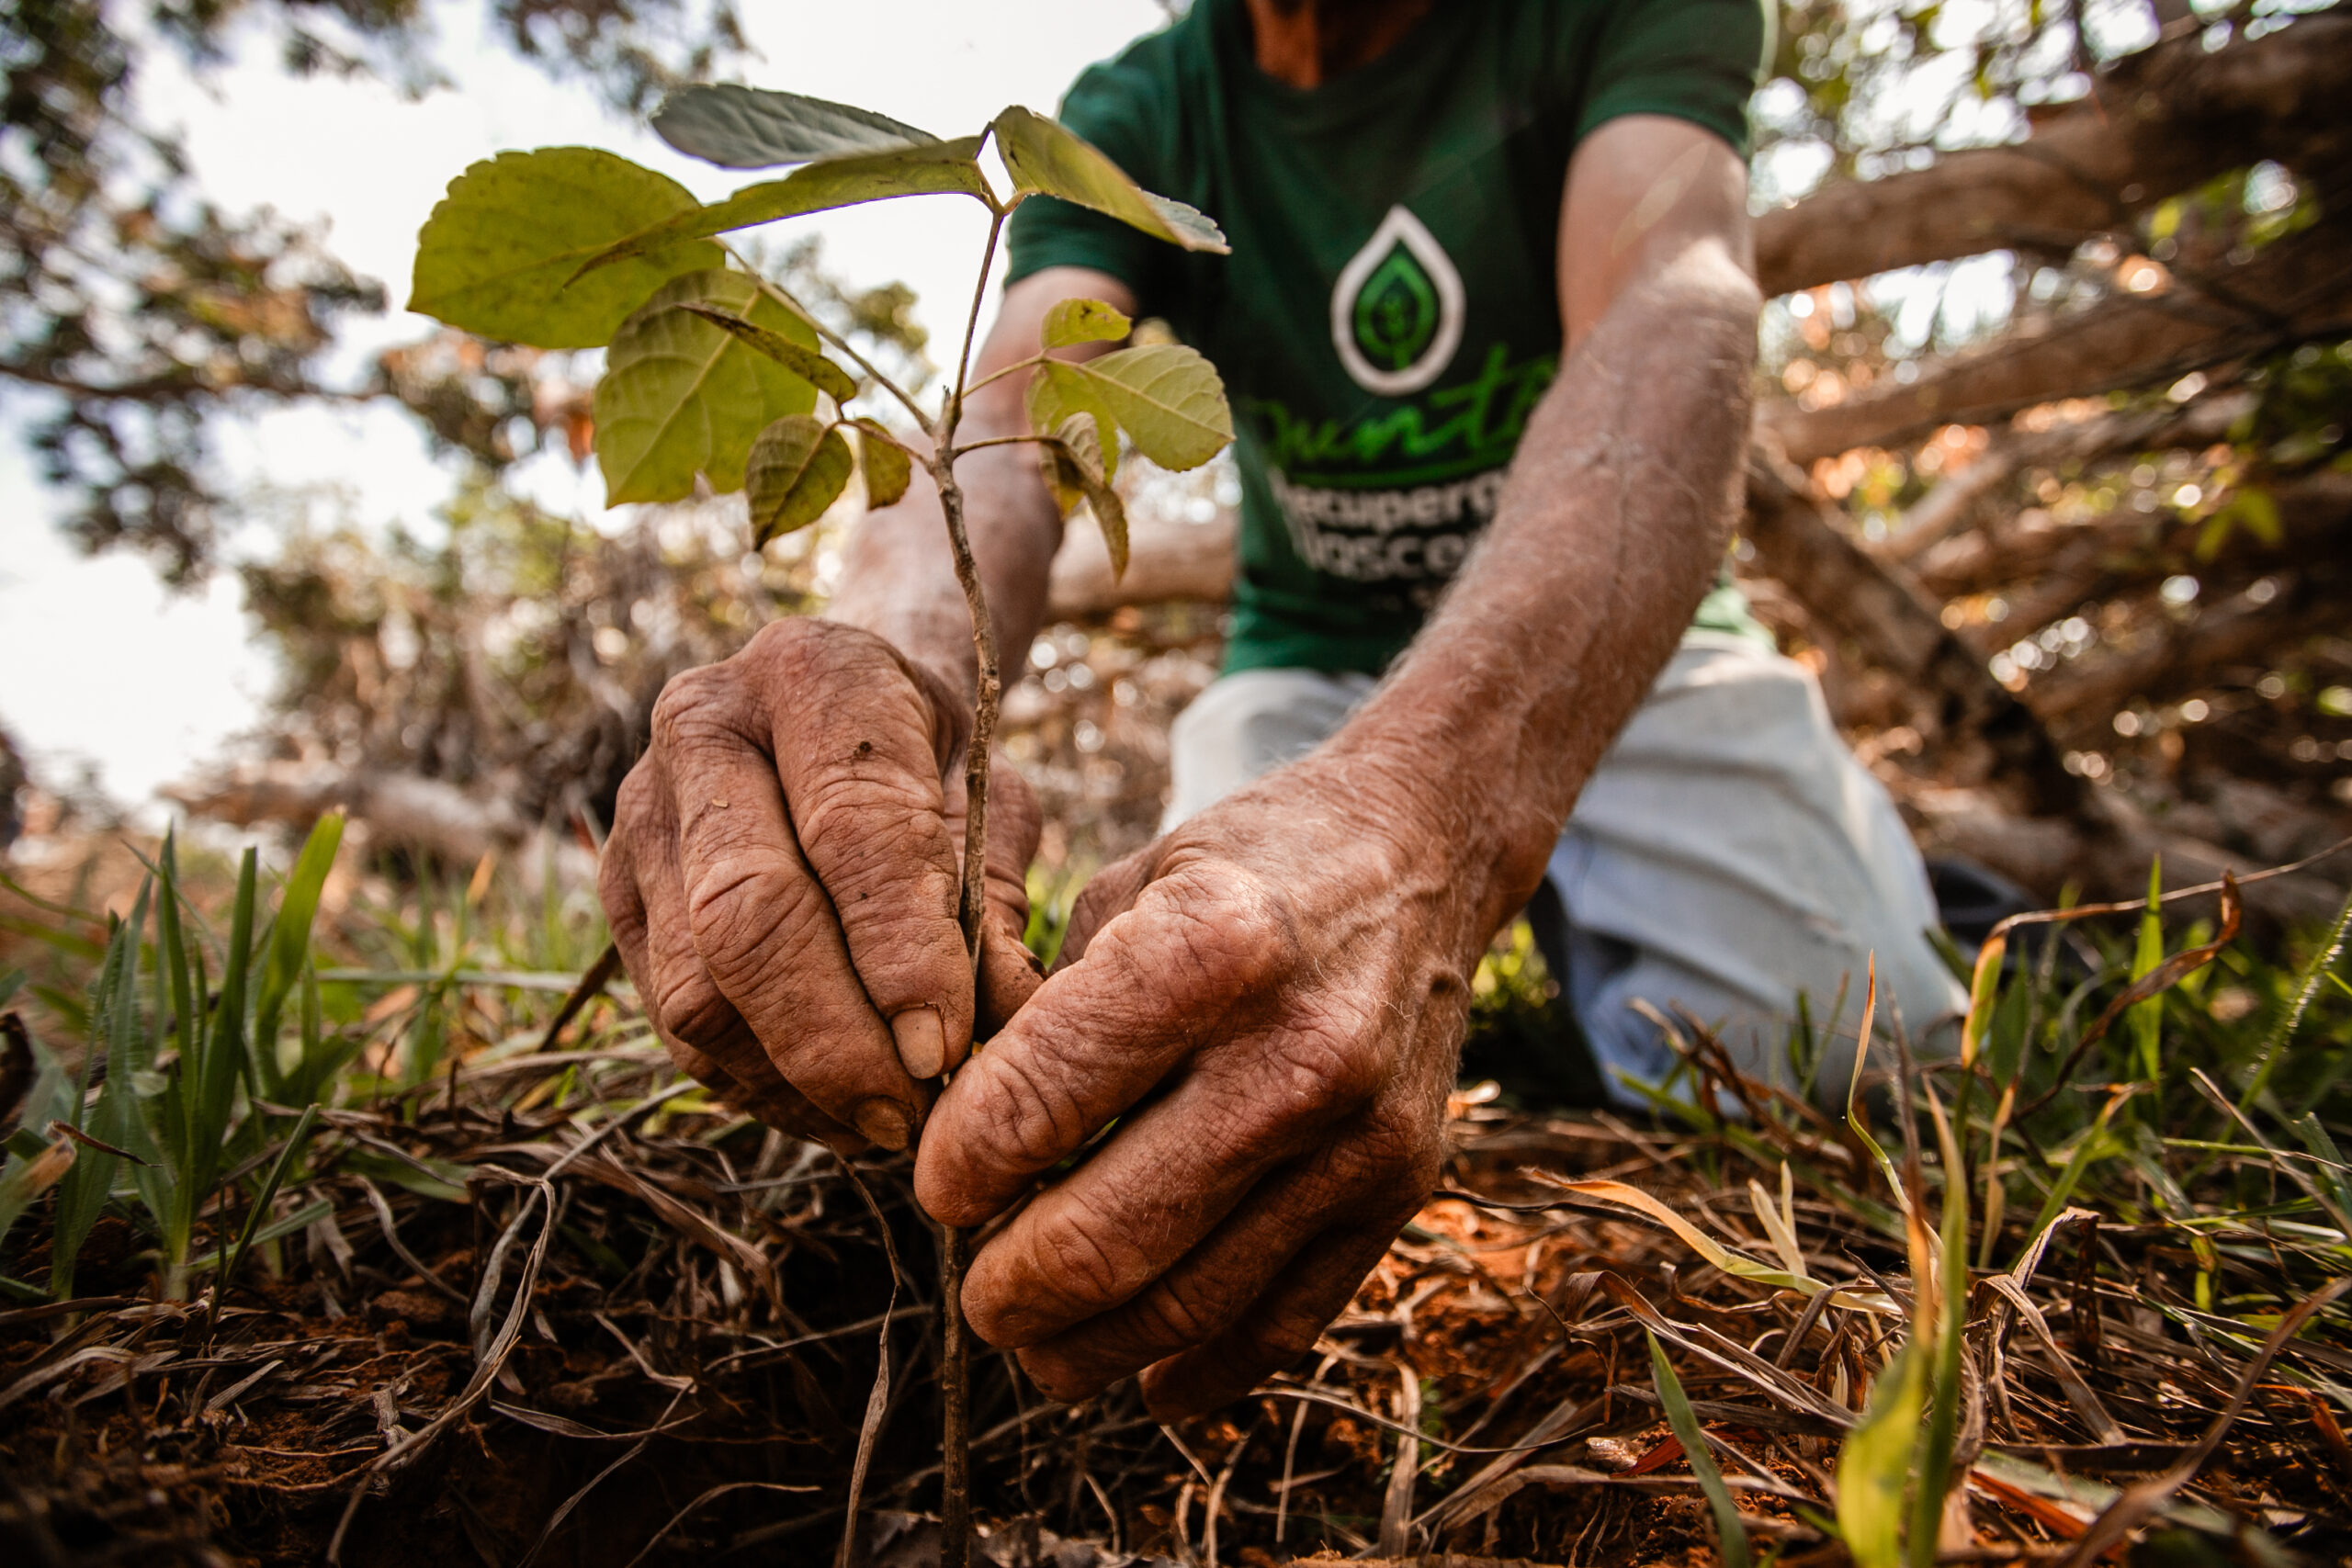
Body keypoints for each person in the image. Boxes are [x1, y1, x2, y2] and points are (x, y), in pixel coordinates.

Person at [597, 0, 1967, 1420]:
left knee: (1851, 1062)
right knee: (1204, 1057)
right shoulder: (1144, 111)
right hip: (1309, 664)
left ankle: (1920, 884)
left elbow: (1670, 315)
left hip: (1621, 634)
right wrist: (887, 673)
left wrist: (1436, 822)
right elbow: (1009, 423)